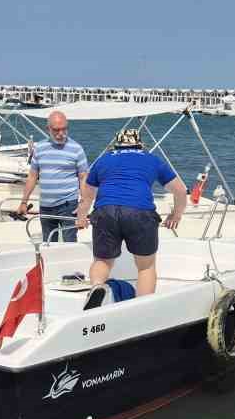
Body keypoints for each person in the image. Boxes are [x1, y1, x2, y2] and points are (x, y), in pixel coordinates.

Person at [76, 129, 187, 302]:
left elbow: (87, 196)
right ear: (140, 144)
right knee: (145, 266)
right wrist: (176, 215)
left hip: (106, 210)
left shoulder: (104, 160)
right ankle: (141, 307)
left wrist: (81, 218)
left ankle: (97, 287)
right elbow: (180, 190)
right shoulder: (151, 159)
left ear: (116, 145)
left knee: (103, 261)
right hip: (140, 212)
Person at [16, 110, 86, 242]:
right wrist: (24, 202)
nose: (61, 134)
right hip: (46, 206)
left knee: (69, 244)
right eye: (56, 130)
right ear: (47, 129)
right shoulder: (40, 148)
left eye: (64, 129)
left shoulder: (77, 149)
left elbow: (83, 178)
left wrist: (83, 205)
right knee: (48, 244)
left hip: (68, 206)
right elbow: (32, 176)